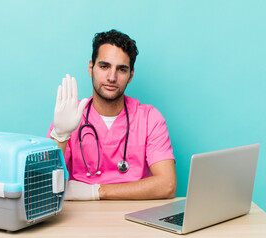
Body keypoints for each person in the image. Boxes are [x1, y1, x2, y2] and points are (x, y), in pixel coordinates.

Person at [47, 29, 176, 200]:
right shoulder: (70, 115)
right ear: (91, 68)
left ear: (130, 75)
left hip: (136, 214)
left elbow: (167, 185)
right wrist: (60, 136)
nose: (112, 77)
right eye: (104, 66)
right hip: (81, 216)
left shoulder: (149, 118)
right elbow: (44, 183)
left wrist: (97, 191)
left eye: (121, 69)